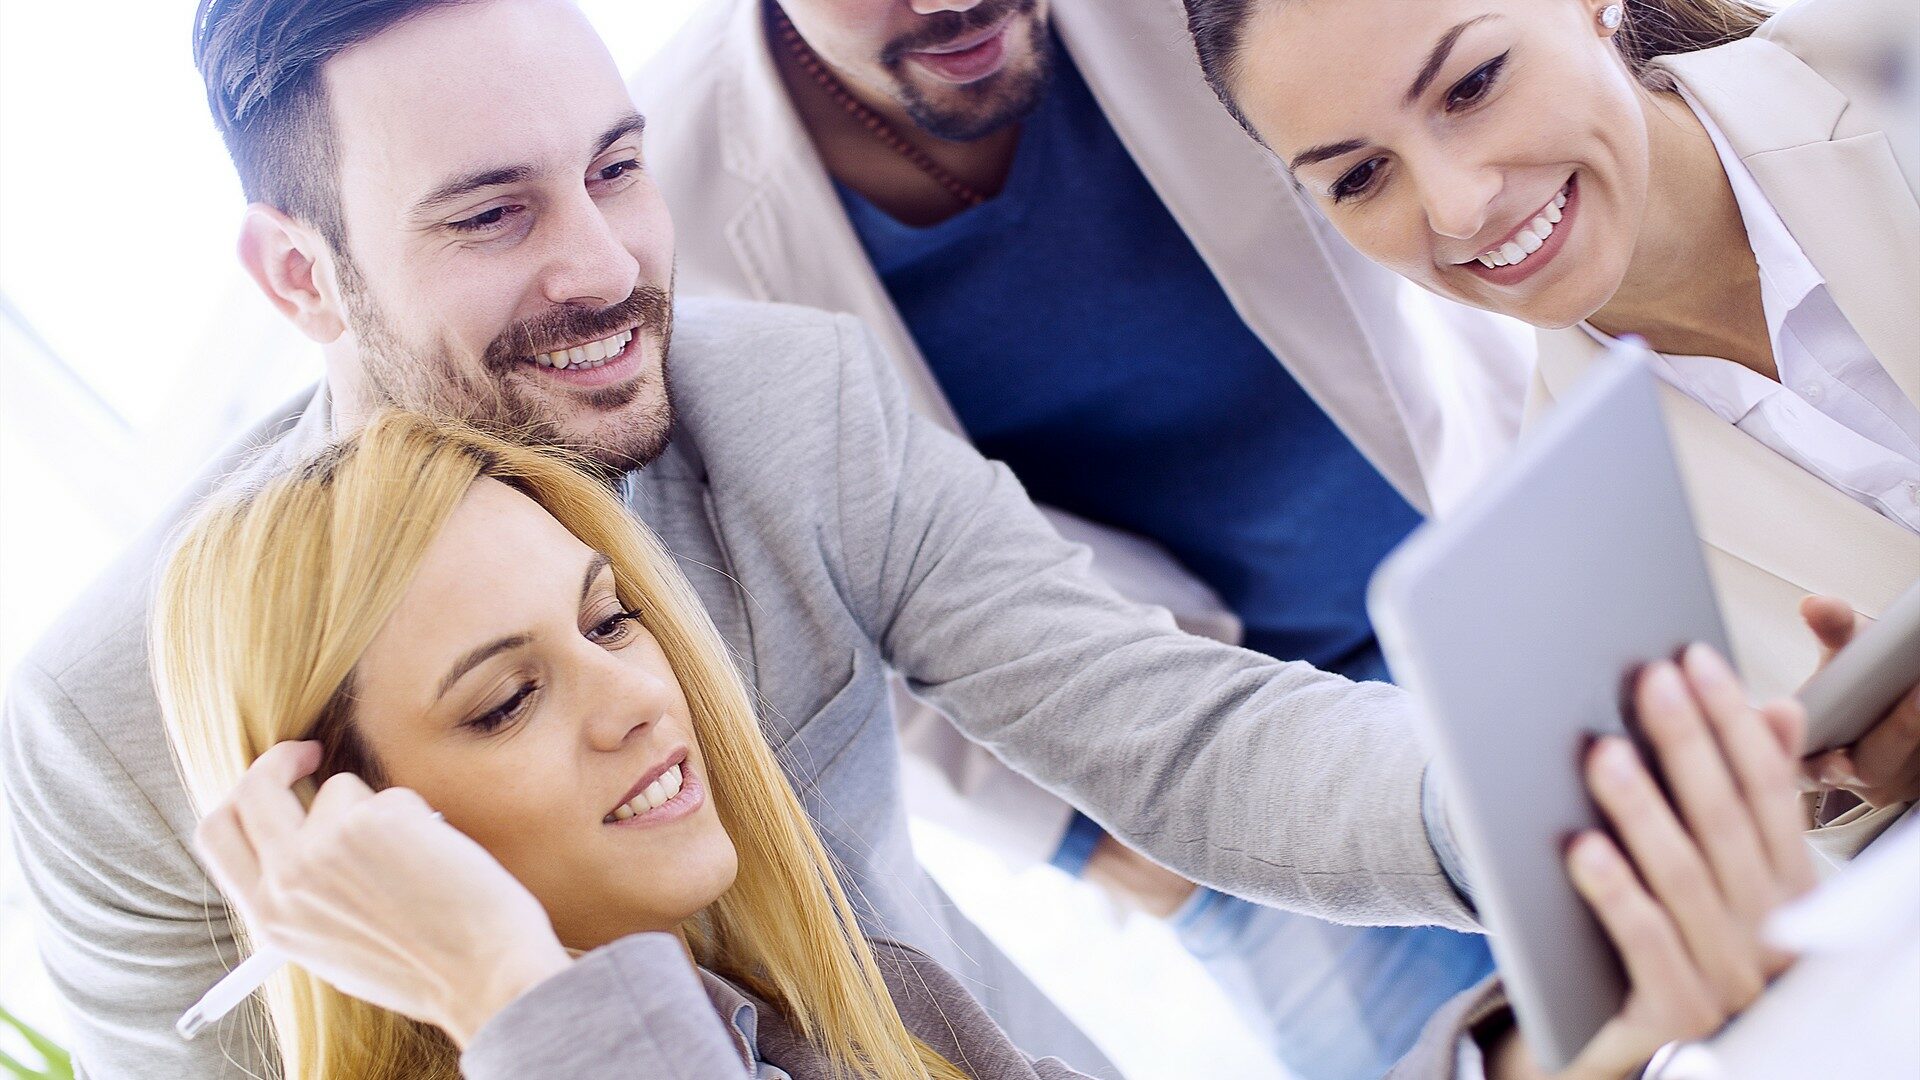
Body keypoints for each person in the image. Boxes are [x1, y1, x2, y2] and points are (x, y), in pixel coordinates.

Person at [2, 0, 1483, 1075]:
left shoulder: (782, 401)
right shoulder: (116, 725)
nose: (604, 268)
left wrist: (1541, 795)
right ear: (299, 278)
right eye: (488, 217)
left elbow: (1176, 733)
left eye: (616, 169)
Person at [160, 410, 1814, 1080]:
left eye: (613, 618)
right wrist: (525, 1004)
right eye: (504, 698)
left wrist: (1557, 1042)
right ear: (343, 838)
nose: (638, 696)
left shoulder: (855, 1011)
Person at [631, 2, 1530, 1071]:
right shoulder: (666, 195)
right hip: (1203, 772)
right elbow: (809, 568)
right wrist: (1083, 842)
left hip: (1485, 589)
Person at [1178, 0, 1920, 861]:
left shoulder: (1887, 58)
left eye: (1473, 85)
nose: (1458, 209)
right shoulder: (1574, 546)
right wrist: (1857, 794)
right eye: (1361, 177)